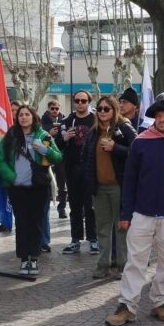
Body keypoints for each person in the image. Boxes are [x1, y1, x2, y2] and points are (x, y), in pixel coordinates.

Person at [105, 96, 164, 326]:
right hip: (142, 213)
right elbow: (130, 181)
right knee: (135, 261)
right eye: (158, 116)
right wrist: (126, 214)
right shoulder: (140, 143)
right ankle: (127, 305)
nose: (161, 120)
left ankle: (160, 302)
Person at [0, 103, 62, 276]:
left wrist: (45, 150)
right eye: (20, 115)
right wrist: (12, 177)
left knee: (36, 223)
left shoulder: (43, 135)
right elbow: (0, 160)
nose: (23, 117)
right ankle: (23, 259)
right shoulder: (11, 136)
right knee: (22, 223)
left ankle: (34, 258)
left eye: (27, 114)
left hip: (38, 188)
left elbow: (58, 157)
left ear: (33, 117)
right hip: (18, 188)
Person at [82, 94, 137, 279]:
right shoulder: (93, 132)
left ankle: (122, 266)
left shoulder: (123, 128)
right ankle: (103, 265)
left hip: (119, 186)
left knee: (121, 227)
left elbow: (137, 151)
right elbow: (85, 158)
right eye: (100, 109)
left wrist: (116, 148)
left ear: (114, 110)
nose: (103, 112)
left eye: (107, 108)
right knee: (102, 228)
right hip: (99, 188)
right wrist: (88, 182)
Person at [59, 90, 97, 254]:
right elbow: (57, 145)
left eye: (83, 101)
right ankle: (75, 240)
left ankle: (93, 239)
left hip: (91, 168)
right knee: (74, 206)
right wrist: (64, 138)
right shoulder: (67, 120)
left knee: (91, 206)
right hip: (72, 167)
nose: (80, 104)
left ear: (89, 102)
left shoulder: (96, 119)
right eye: (77, 101)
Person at [41, 99, 68, 218]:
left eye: (57, 108)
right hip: (46, 155)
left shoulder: (64, 121)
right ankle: (44, 207)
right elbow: (39, 137)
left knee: (62, 183)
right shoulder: (42, 121)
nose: (55, 111)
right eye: (52, 108)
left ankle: (61, 208)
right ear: (48, 109)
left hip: (60, 155)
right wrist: (49, 134)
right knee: (46, 181)